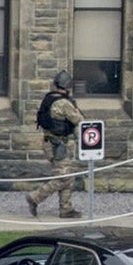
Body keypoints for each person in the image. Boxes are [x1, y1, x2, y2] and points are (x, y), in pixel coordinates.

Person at [25, 71, 85, 218]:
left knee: (68, 176)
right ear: (68, 86)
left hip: (50, 142)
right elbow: (79, 120)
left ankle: (66, 209)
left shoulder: (49, 98)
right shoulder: (64, 103)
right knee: (63, 177)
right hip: (58, 145)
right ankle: (35, 197)